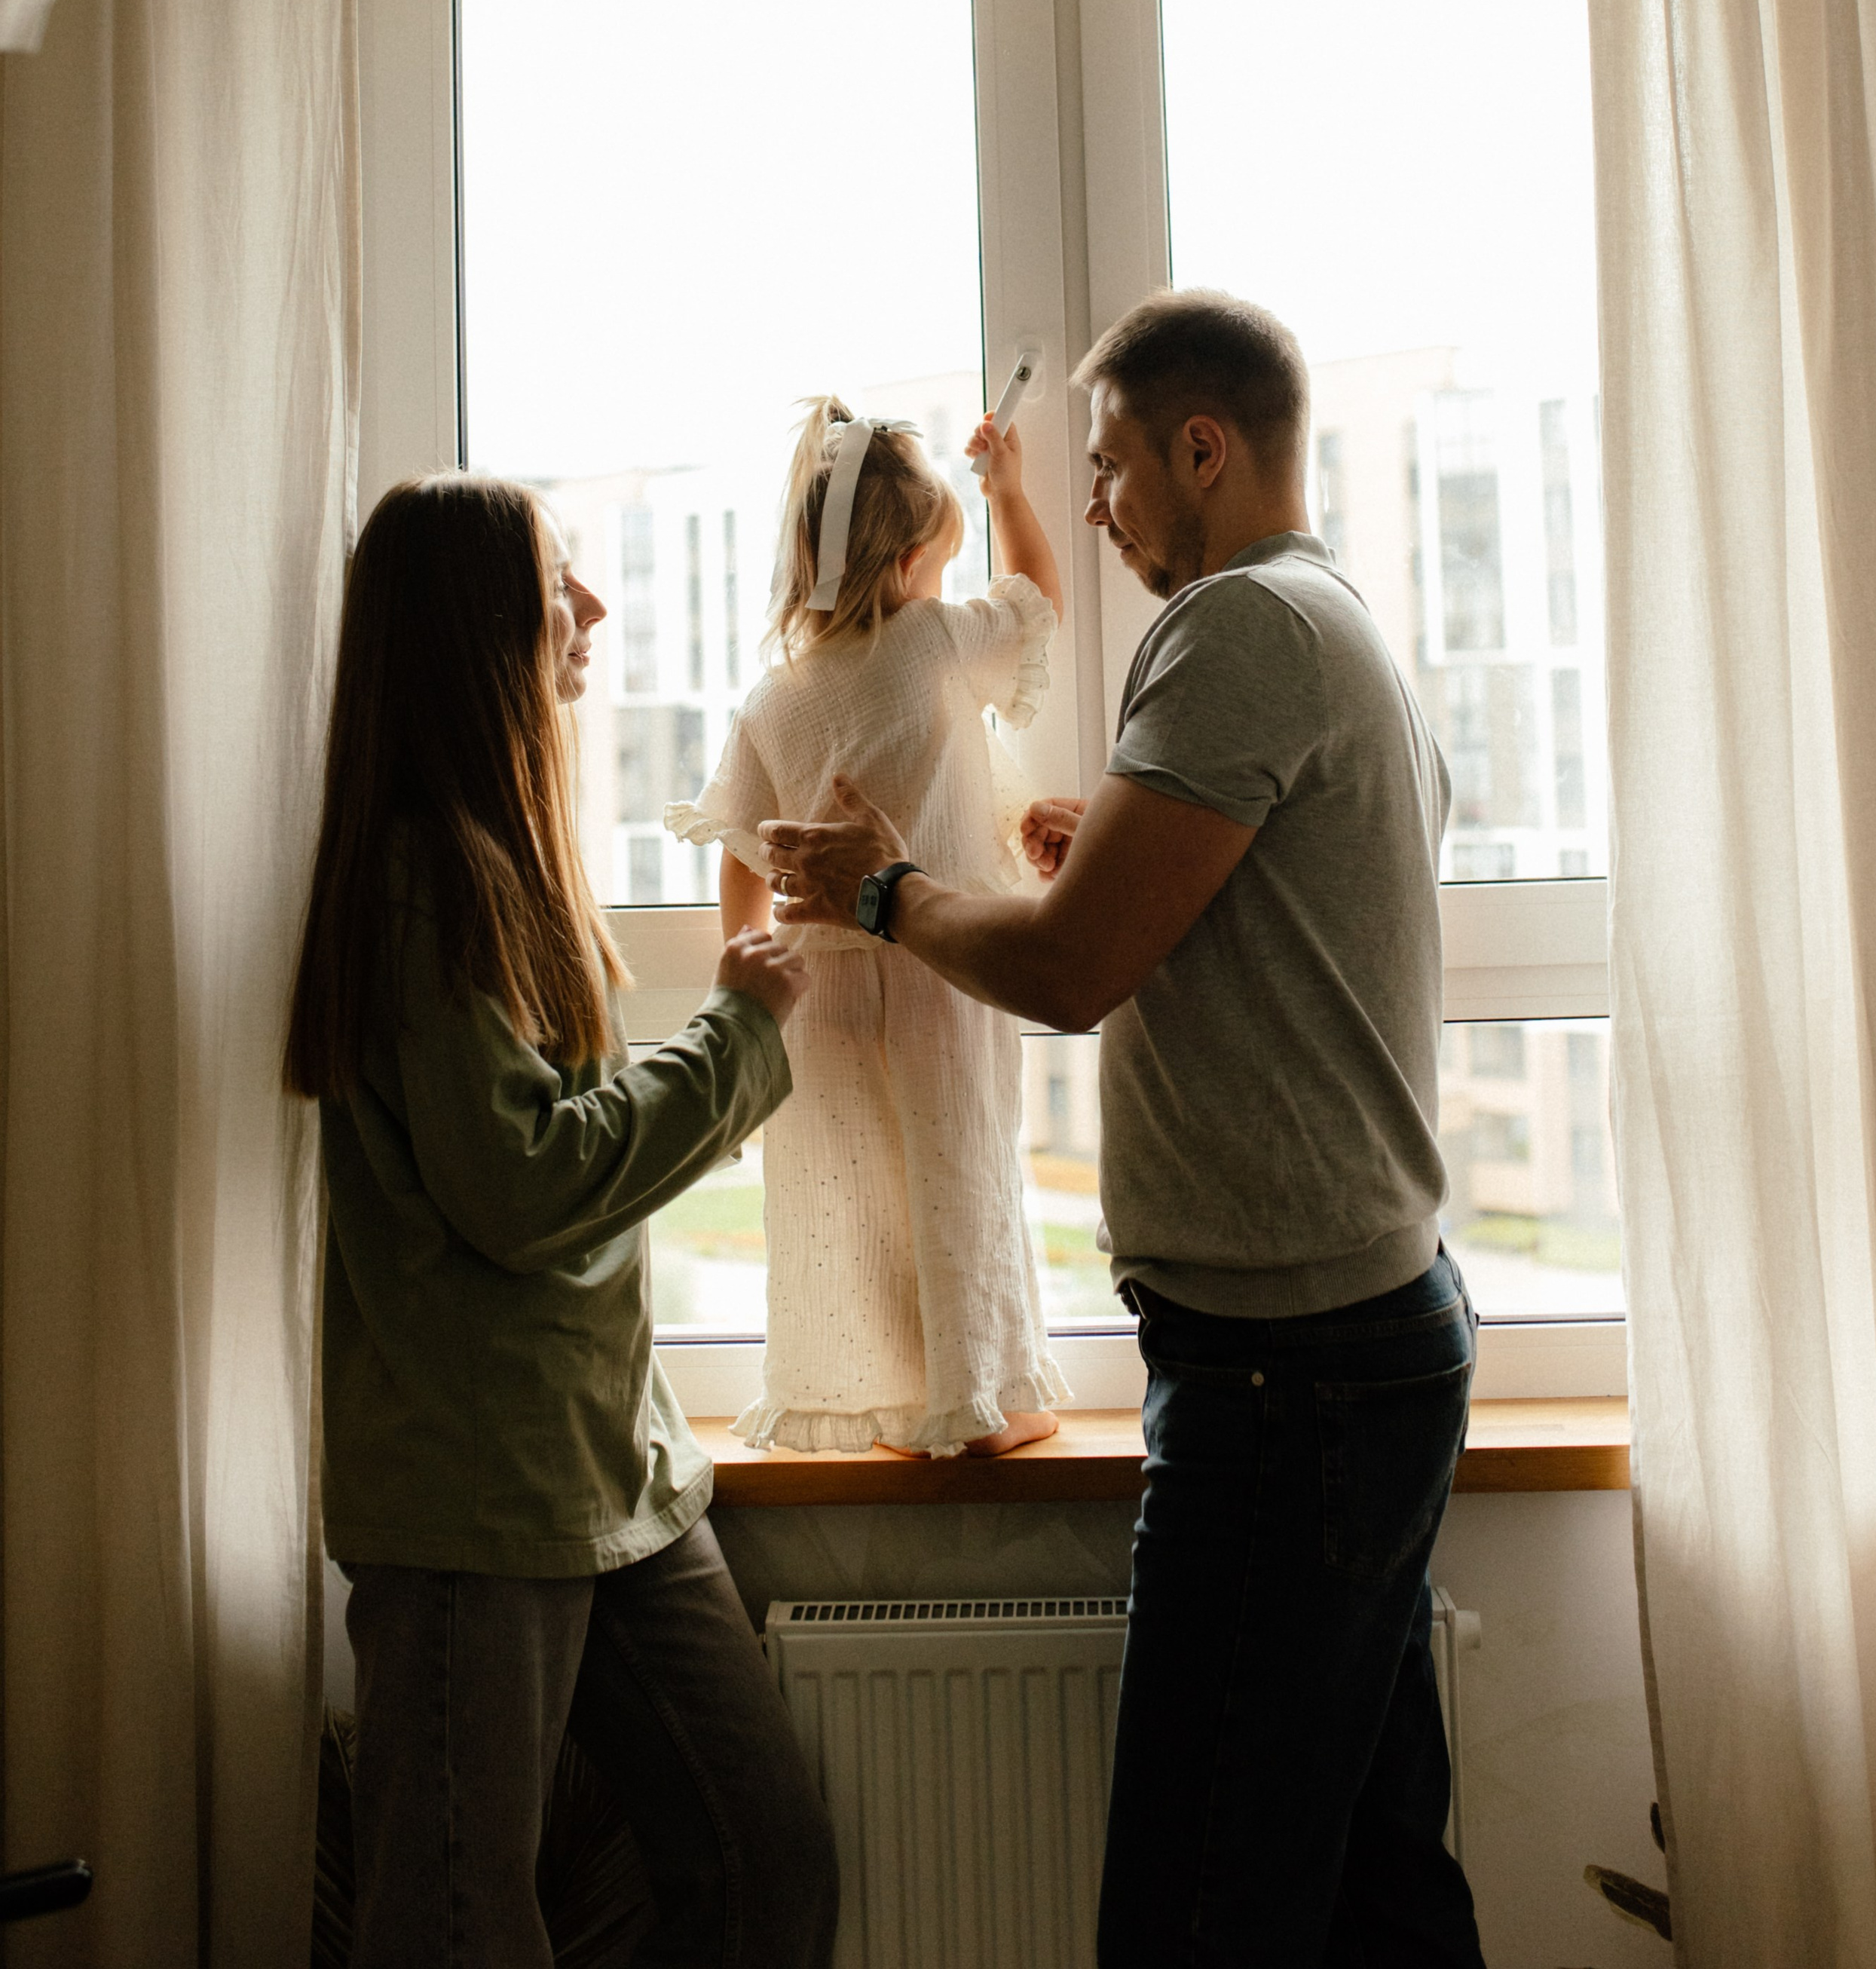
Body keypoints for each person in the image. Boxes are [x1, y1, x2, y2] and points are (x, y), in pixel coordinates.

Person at [764, 291, 1487, 1969]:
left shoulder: (1235, 628)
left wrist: (880, 890)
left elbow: (1073, 968)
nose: (1088, 506)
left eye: (1104, 469)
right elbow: (1317, 904)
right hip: (1361, 1341)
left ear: (1201, 449)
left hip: (1284, 1380)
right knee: (1379, 1891)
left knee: (1191, 1914)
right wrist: (1130, 832)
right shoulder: (1335, 618)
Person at [283, 472, 837, 1969]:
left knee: (763, 1861)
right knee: (457, 1931)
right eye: (556, 585)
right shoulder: (423, 884)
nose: (590, 611)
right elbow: (524, 1186)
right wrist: (741, 1030)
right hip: (477, 1507)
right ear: (475, 633)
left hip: (613, 1477)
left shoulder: (507, 860)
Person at [666, 397, 1068, 1456]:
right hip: (933, 965)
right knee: (956, 1174)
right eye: (942, 559)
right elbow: (1038, 602)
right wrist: (1014, 492)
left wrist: (740, 1000)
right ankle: (977, 1402)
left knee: (849, 1201)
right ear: (905, 571)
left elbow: (742, 861)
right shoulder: (935, 642)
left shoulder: (775, 697)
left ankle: (874, 1396)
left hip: (812, 996)